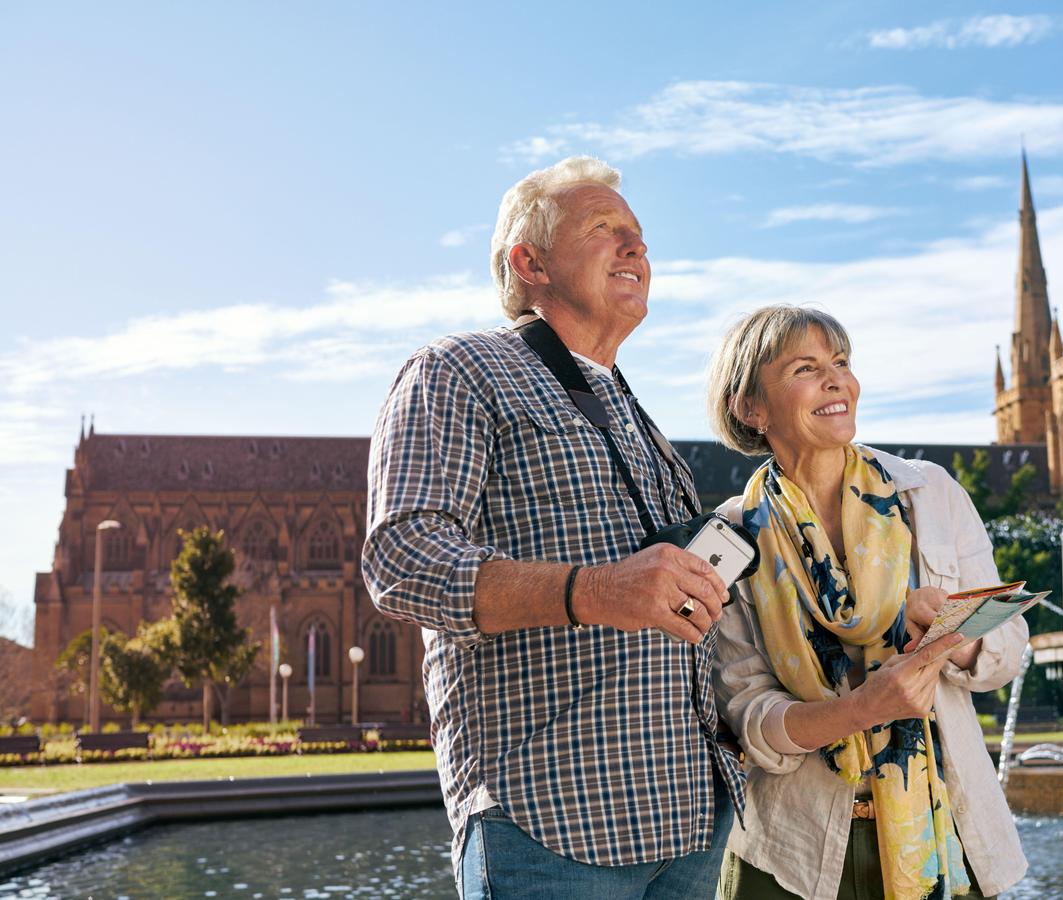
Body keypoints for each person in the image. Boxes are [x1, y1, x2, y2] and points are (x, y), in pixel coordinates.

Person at [362, 156, 744, 899]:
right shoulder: (458, 369)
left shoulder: (636, 415)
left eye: (639, 236)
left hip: (689, 828)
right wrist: (597, 591)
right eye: (606, 229)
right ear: (528, 261)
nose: (636, 248)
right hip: (551, 826)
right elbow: (402, 560)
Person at [705, 305, 1028, 900]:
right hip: (791, 860)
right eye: (806, 368)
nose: (836, 381)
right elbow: (749, 719)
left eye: (842, 362)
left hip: (942, 833)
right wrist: (863, 708)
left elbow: (1007, 656)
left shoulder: (931, 494)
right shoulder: (727, 538)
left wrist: (955, 635)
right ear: (749, 407)